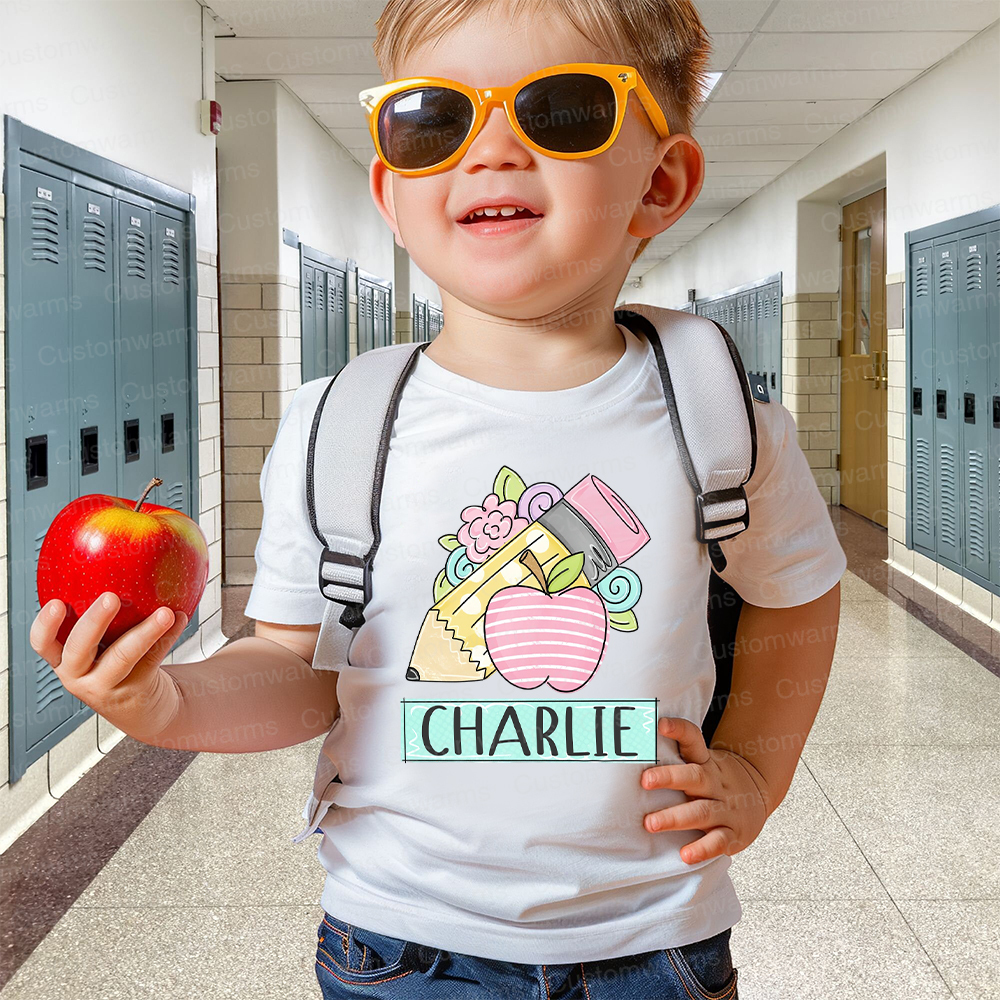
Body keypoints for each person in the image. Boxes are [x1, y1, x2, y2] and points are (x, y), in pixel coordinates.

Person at [31, 1, 847, 996]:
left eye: (562, 110)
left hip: (655, 935)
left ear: (661, 182)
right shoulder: (338, 426)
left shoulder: (718, 415)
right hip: (399, 940)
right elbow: (297, 671)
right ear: (392, 187)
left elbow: (797, 590)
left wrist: (757, 770)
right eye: (434, 119)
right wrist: (164, 702)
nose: (492, 148)